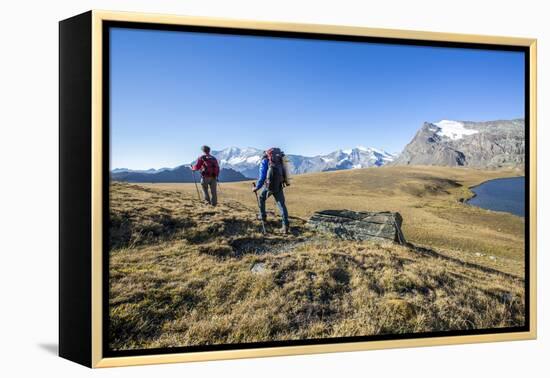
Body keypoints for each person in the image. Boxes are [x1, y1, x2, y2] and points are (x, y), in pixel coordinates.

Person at [253, 148, 290, 234]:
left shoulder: (265, 161)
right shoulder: (279, 159)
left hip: (269, 186)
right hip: (278, 184)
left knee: (261, 198)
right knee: (281, 204)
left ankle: (263, 217)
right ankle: (285, 226)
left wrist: (256, 188)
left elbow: (262, 177)